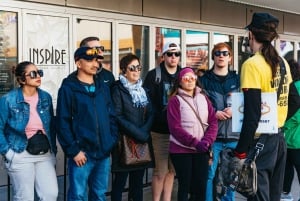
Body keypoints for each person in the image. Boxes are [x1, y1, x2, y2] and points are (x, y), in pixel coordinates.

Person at [233, 13, 292, 201]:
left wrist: (241, 151)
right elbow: (295, 100)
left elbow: (252, 115)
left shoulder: (252, 64)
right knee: (273, 196)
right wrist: (277, 119)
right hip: (279, 140)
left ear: (251, 34)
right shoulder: (282, 63)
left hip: (260, 142)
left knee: (259, 196)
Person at [56, 46, 119, 201]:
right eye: (90, 60)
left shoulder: (103, 87)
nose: (95, 63)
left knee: (99, 194)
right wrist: (74, 150)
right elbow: (62, 122)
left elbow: (111, 116)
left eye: (97, 60)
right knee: (78, 196)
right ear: (78, 63)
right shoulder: (68, 89)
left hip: (103, 153)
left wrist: (111, 141)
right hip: (82, 154)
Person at [0, 61, 58, 200]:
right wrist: (8, 153)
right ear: (21, 79)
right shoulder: (8, 99)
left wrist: (53, 151)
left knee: (50, 194)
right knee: (25, 197)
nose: (38, 76)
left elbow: (51, 127)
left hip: (44, 152)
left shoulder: (46, 97)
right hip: (20, 152)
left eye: (39, 72)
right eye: (33, 74)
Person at [167, 67, 218, 201]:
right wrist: (195, 143)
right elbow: (175, 128)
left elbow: (213, 121)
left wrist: (207, 141)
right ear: (180, 82)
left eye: (193, 78)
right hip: (181, 151)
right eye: (186, 78)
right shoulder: (174, 100)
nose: (190, 81)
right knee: (185, 187)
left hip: (202, 149)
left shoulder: (204, 98)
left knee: (200, 187)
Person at [110, 53, 154, 201]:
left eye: (138, 67)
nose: (136, 71)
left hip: (142, 143)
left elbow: (151, 113)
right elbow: (117, 116)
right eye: (132, 68)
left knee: (137, 184)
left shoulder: (143, 90)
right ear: (124, 70)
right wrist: (138, 133)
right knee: (119, 184)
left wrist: (144, 132)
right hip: (124, 143)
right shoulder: (117, 89)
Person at [200, 42, 240, 201]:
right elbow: (199, 104)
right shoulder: (204, 80)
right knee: (209, 175)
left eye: (224, 53)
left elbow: (246, 104)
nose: (221, 56)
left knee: (231, 176)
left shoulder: (238, 79)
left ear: (230, 57)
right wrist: (213, 113)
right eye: (217, 53)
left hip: (233, 136)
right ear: (213, 57)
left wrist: (235, 109)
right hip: (212, 137)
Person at [143, 41, 182, 201]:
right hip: (160, 131)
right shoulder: (154, 75)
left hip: (179, 132)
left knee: (172, 170)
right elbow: (147, 103)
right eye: (170, 54)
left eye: (177, 54)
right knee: (160, 171)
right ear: (163, 56)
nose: (173, 57)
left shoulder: (184, 74)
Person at [281, 59, 300, 201]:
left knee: (289, 168)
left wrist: (282, 122)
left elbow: (296, 114)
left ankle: (286, 193)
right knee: (288, 167)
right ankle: (286, 193)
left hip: (293, 136)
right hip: (292, 137)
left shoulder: (294, 86)